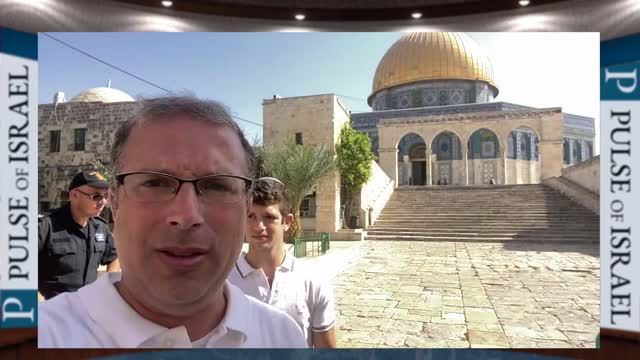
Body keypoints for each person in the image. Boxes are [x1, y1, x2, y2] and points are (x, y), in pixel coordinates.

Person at [38, 96, 306, 348]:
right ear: (115, 202)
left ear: (246, 206)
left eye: (216, 186)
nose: (187, 216)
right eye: (154, 183)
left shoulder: (282, 336)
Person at [228, 178, 337, 348]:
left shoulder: (312, 281)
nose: (258, 226)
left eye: (269, 217)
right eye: (251, 216)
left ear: (287, 222)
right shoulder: (223, 281)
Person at [38, 170, 120, 300]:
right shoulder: (45, 226)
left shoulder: (100, 227)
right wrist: (38, 300)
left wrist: (108, 285)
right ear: (74, 195)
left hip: (87, 310)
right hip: (51, 312)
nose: (103, 202)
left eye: (105, 196)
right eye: (96, 196)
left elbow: (114, 257)